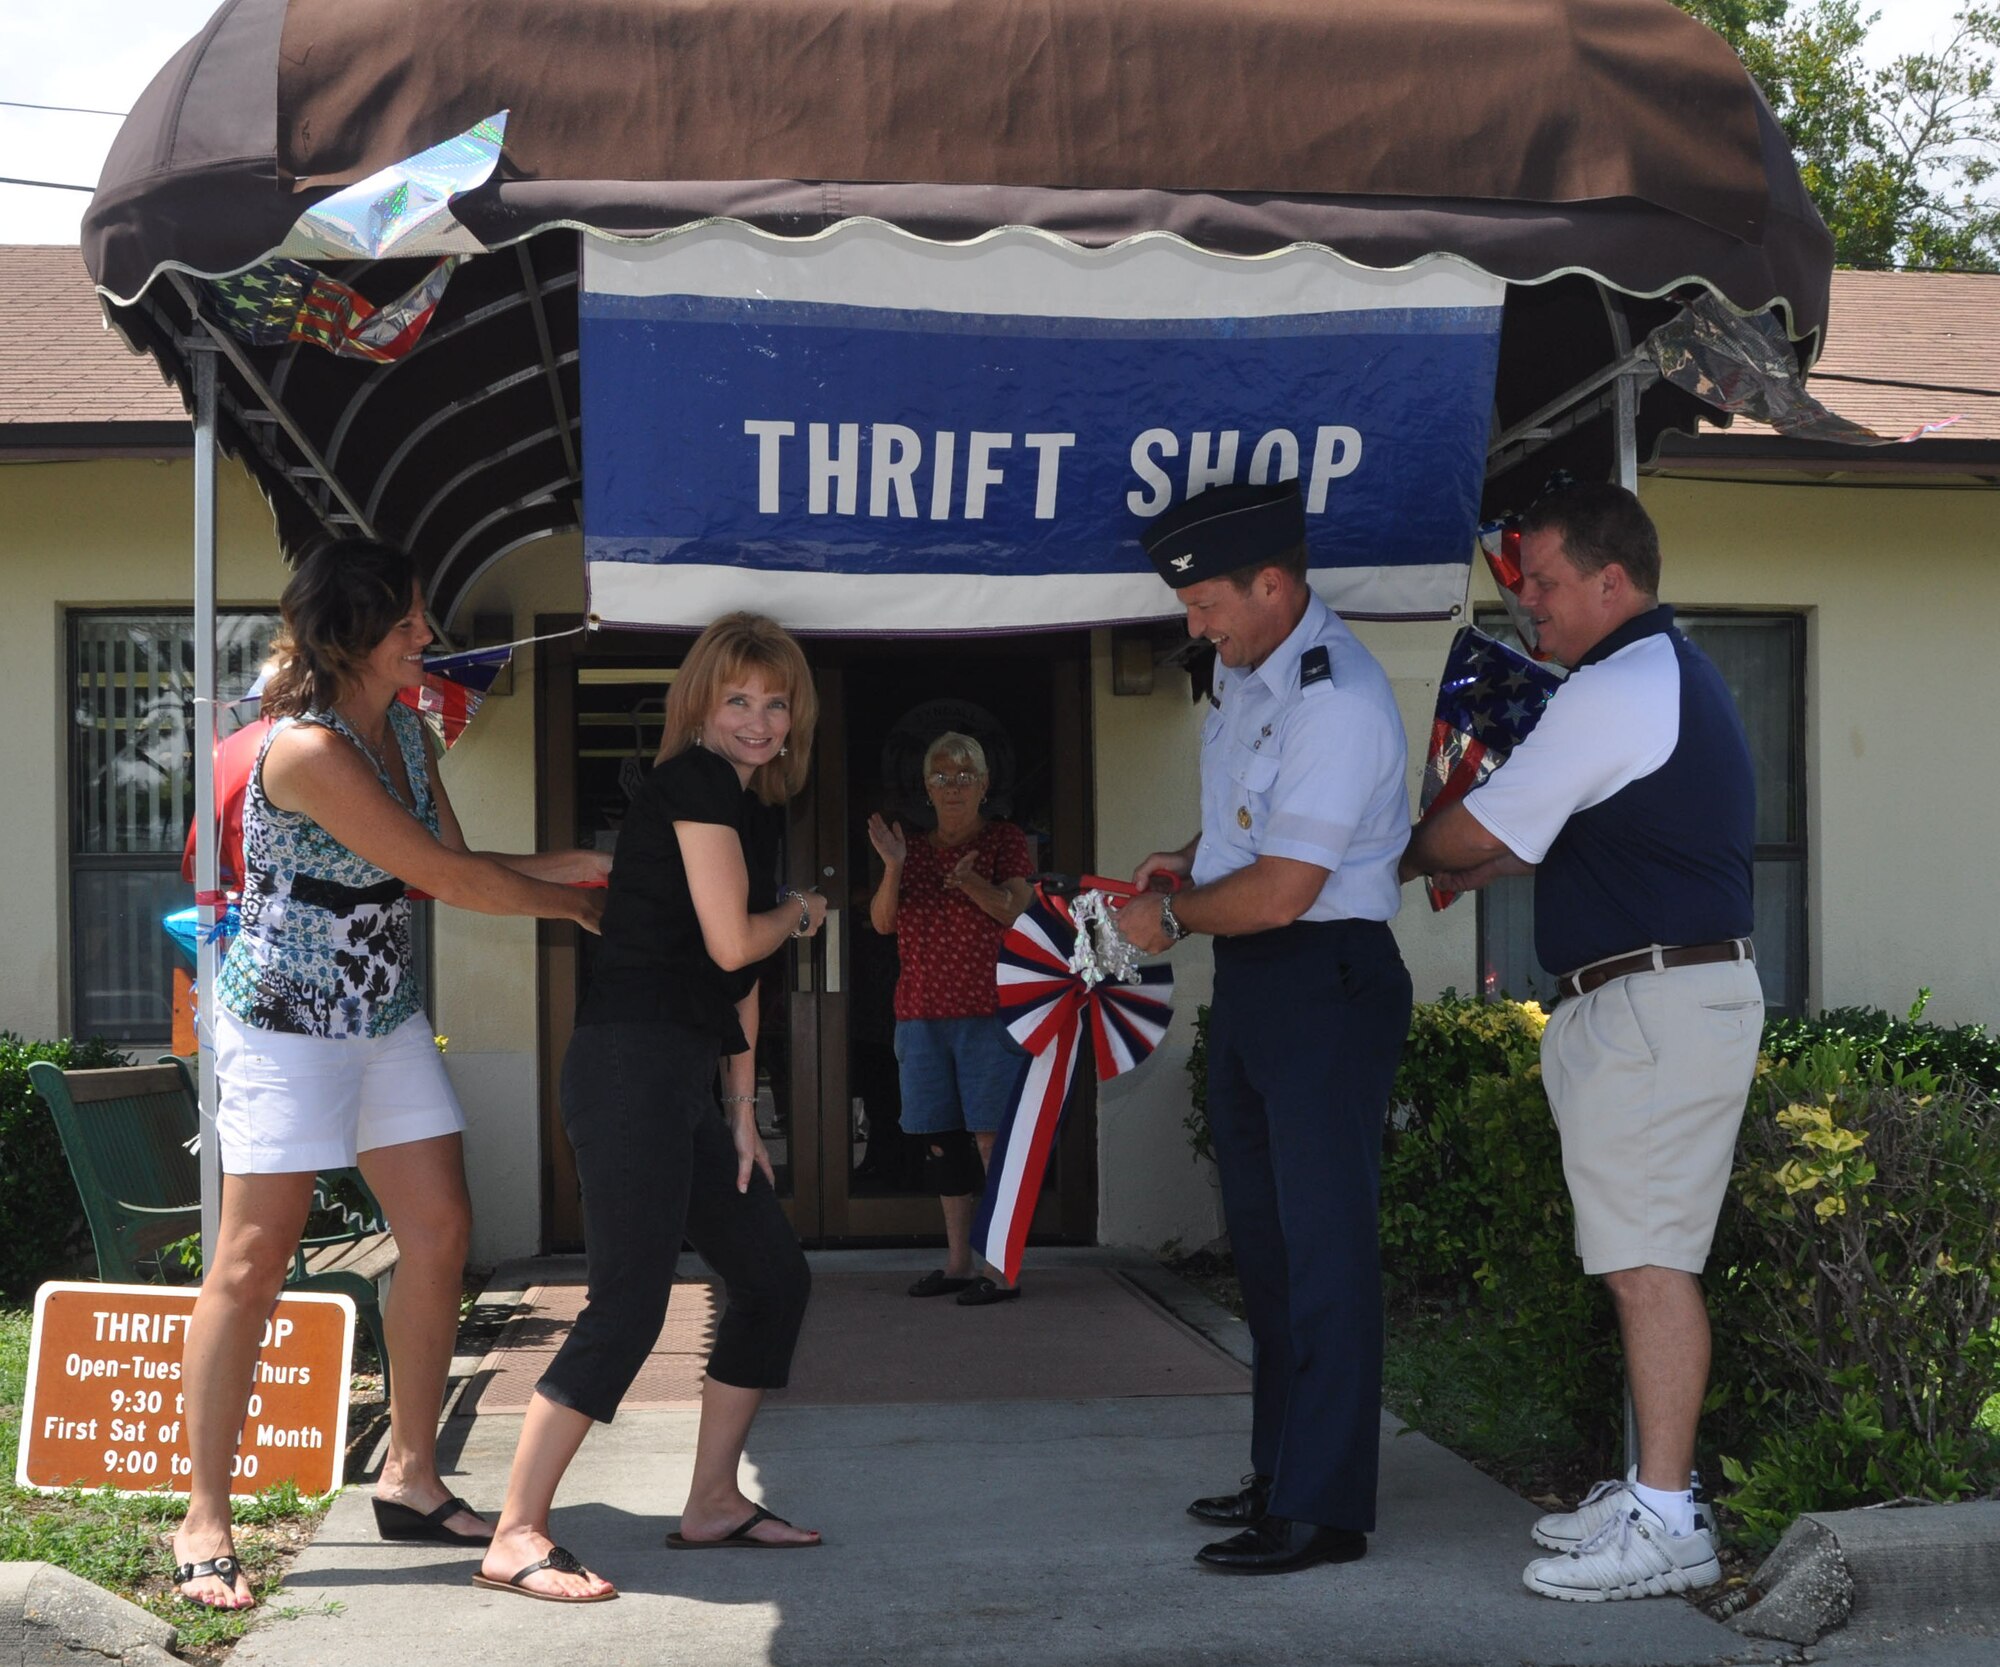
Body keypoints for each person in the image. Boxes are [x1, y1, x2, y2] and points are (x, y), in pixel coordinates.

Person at [173, 540, 609, 1611]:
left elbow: (468, 859)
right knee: (252, 1257)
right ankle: (205, 1517)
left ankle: (411, 1475)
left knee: (439, 1229)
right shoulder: (306, 751)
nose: (426, 636)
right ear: (351, 635)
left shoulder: (408, 731)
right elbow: (446, 878)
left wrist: (606, 865)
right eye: (408, 621)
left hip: (380, 1013)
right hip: (282, 1024)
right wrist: (579, 904)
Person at [1399, 481, 1758, 1602]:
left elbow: (1487, 823)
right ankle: (1651, 1489)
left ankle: (1664, 1520)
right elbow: (1556, 834)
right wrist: (1475, 858)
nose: (1526, 607)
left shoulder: (1615, 686)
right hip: (1647, 1002)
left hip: (1653, 1007)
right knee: (1636, 1257)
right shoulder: (1651, 677)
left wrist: (1406, 851)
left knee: (1649, 1266)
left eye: (1543, 582)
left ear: (1614, 580)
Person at [477, 612, 825, 1603]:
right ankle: (515, 1530)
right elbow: (734, 942)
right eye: (738, 700)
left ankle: (713, 1498)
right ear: (699, 705)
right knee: (627, 1306)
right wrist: (800, 910)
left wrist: (743, 1102)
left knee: (768, 1274)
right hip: (628, 1068)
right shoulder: (693, 781)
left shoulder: (747, 805)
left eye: (775, 701)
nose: (759, 720)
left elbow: (735, 974)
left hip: (680, 1076)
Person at [1115, 478, 1413, 1575]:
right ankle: (1283, 1470)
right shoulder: (1254, 671)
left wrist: (1167, 915)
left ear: (1274, 583)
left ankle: (1324, 1508)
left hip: (1317, 980)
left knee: (1324, 1251)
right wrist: (1192, 859)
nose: (1194, 624)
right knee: (1271, 1248)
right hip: (1259, 979)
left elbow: (1288, 886)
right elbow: (1258, 824)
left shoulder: (1335, 698)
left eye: (1205, 604)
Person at [866, 732, 1034, 1305]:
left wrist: (971, 882)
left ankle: (1002, 1269)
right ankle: (959, 1264)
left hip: (990, 1014)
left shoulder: (1004, 841)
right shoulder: (909, 848)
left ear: (985, 785)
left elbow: (1016, 912)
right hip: (920, 1017)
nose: (953, 787)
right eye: (942, 777)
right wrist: (892, 868)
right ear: (927, 788)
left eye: (965, 776)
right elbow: (883, 923)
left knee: (992, 1143)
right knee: (941, 1143)